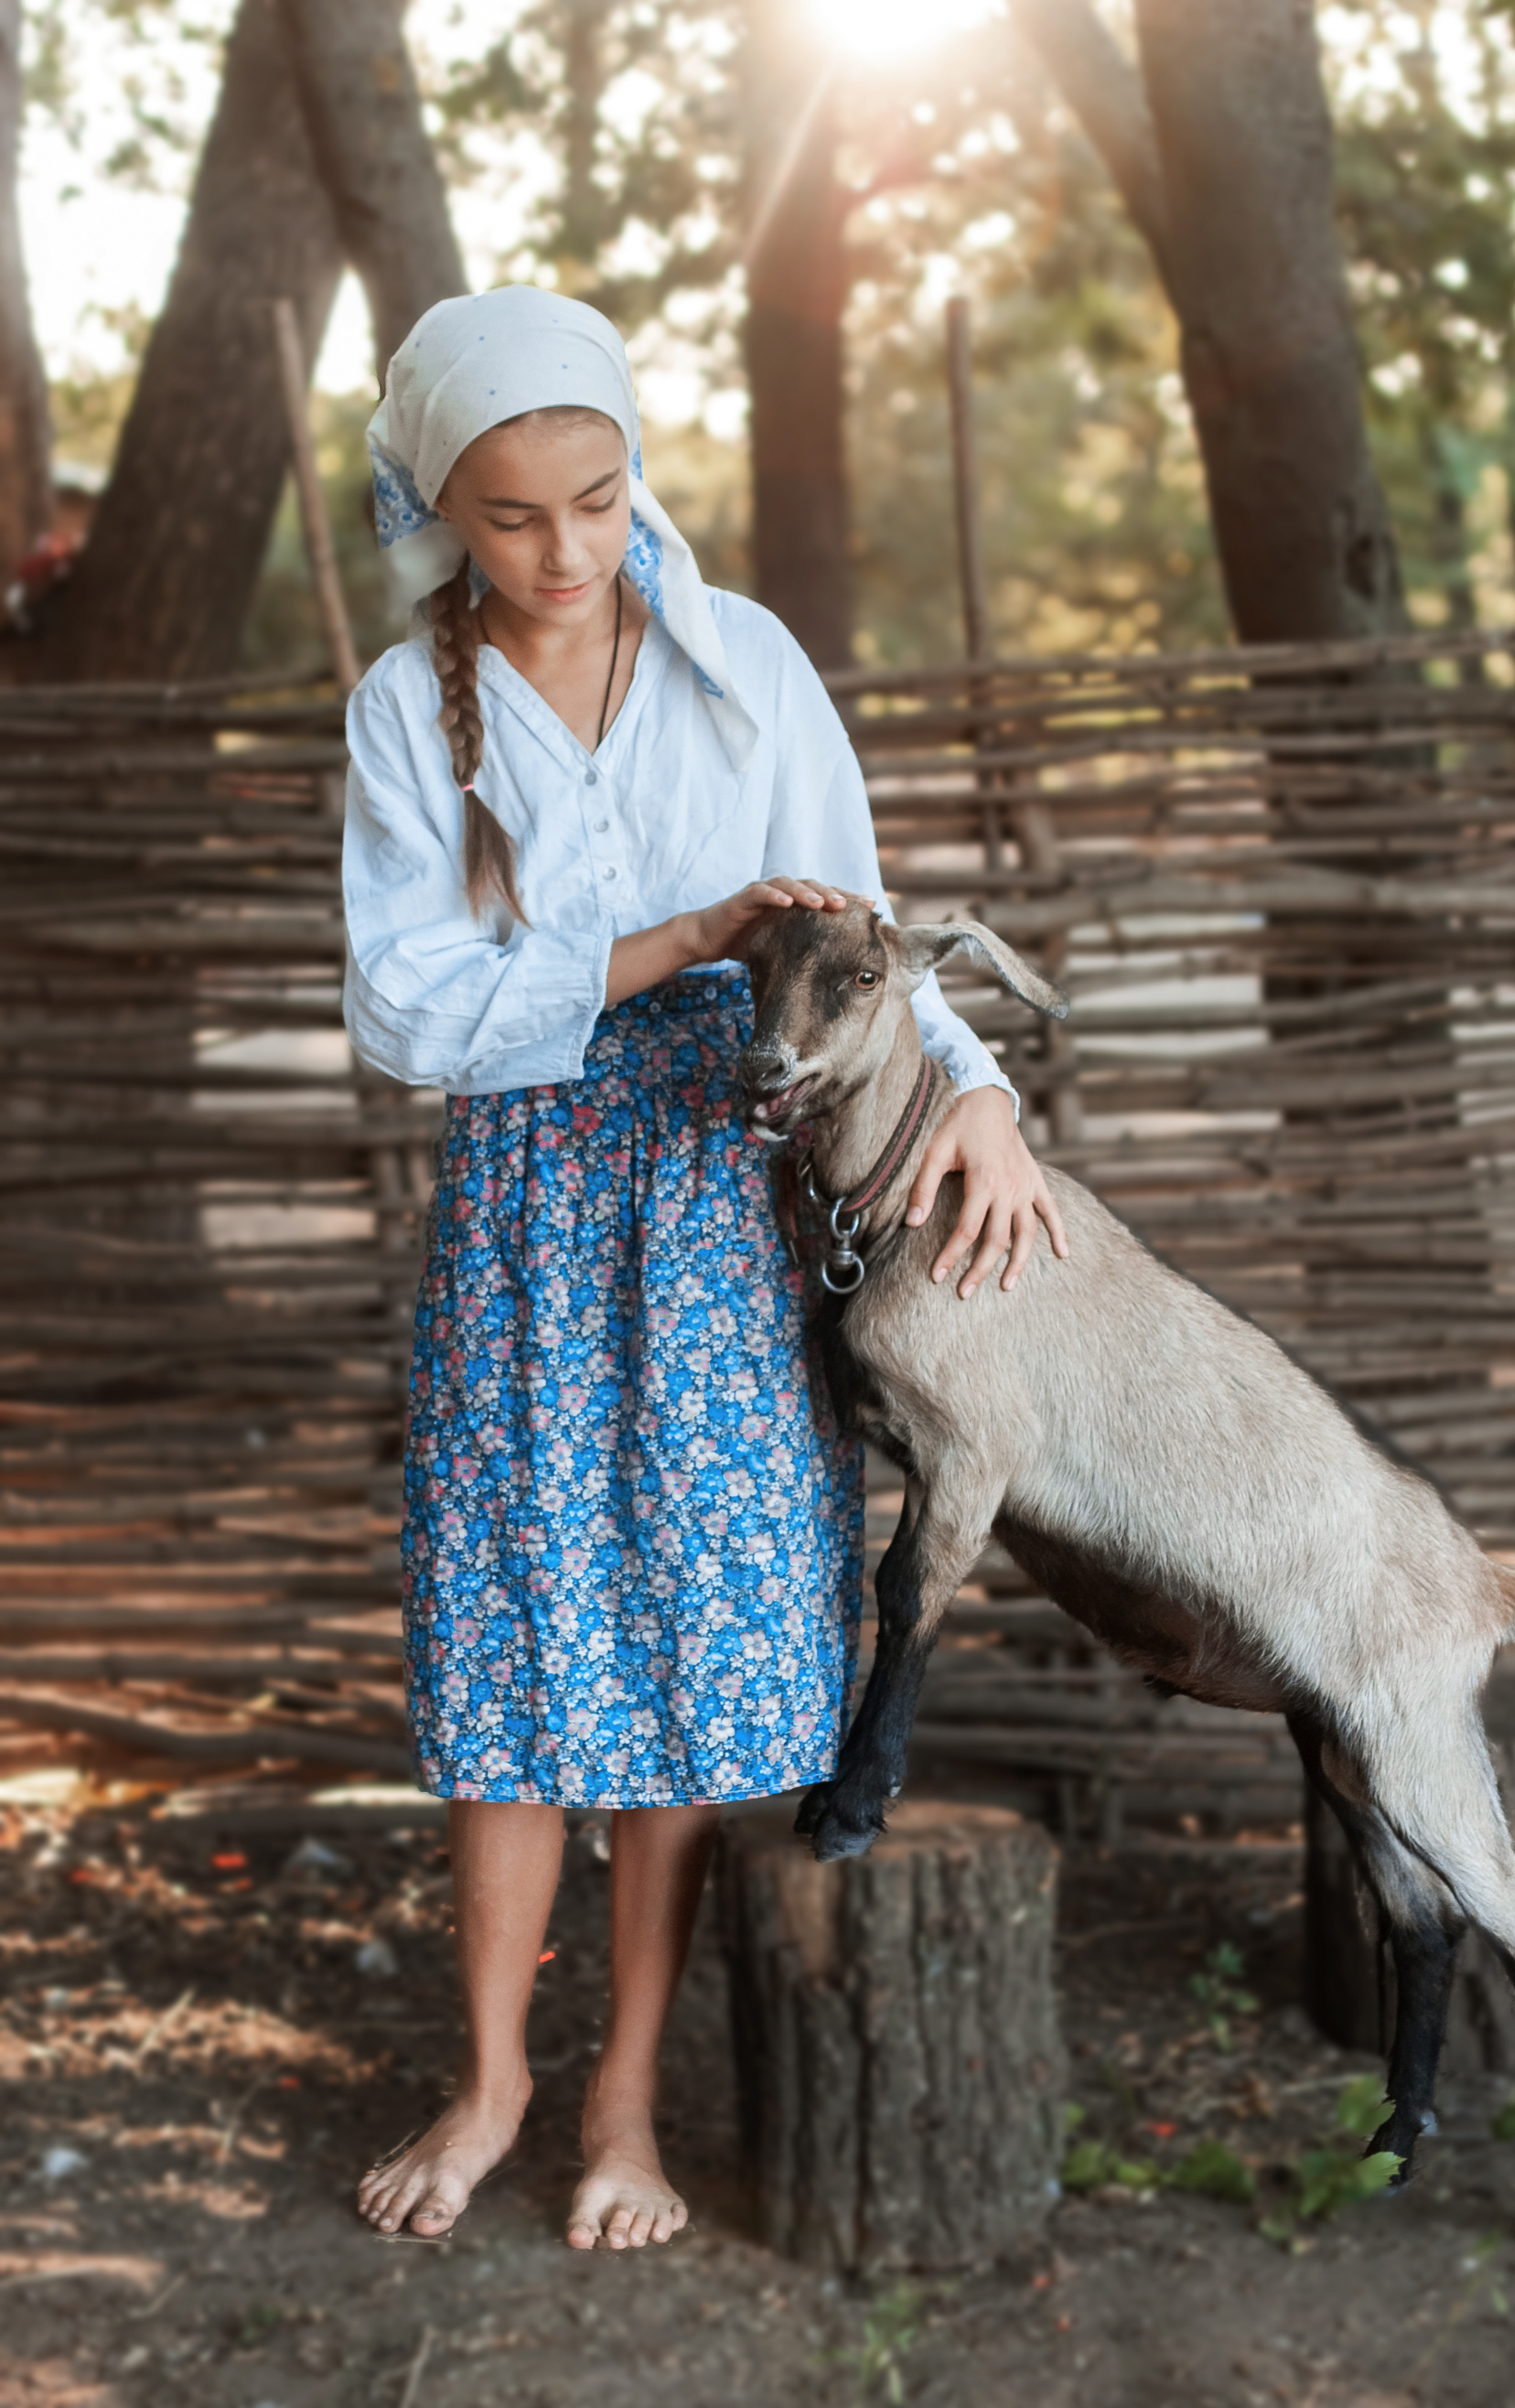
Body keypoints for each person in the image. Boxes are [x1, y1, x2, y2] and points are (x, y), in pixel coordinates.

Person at [342, 286, 1066, 2252]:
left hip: (727, 1202)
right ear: (440, 511)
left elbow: (858, 919)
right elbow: (408, 1014)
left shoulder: (741, 661)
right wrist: (672, 940)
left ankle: (623, 2103)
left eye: (597, 496)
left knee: (683, 1649)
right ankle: (488, 2076)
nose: (567, 549)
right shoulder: (411, 710)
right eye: (512, 518)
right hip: (525, 1220)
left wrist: (982, 1095)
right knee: (510, 1650)